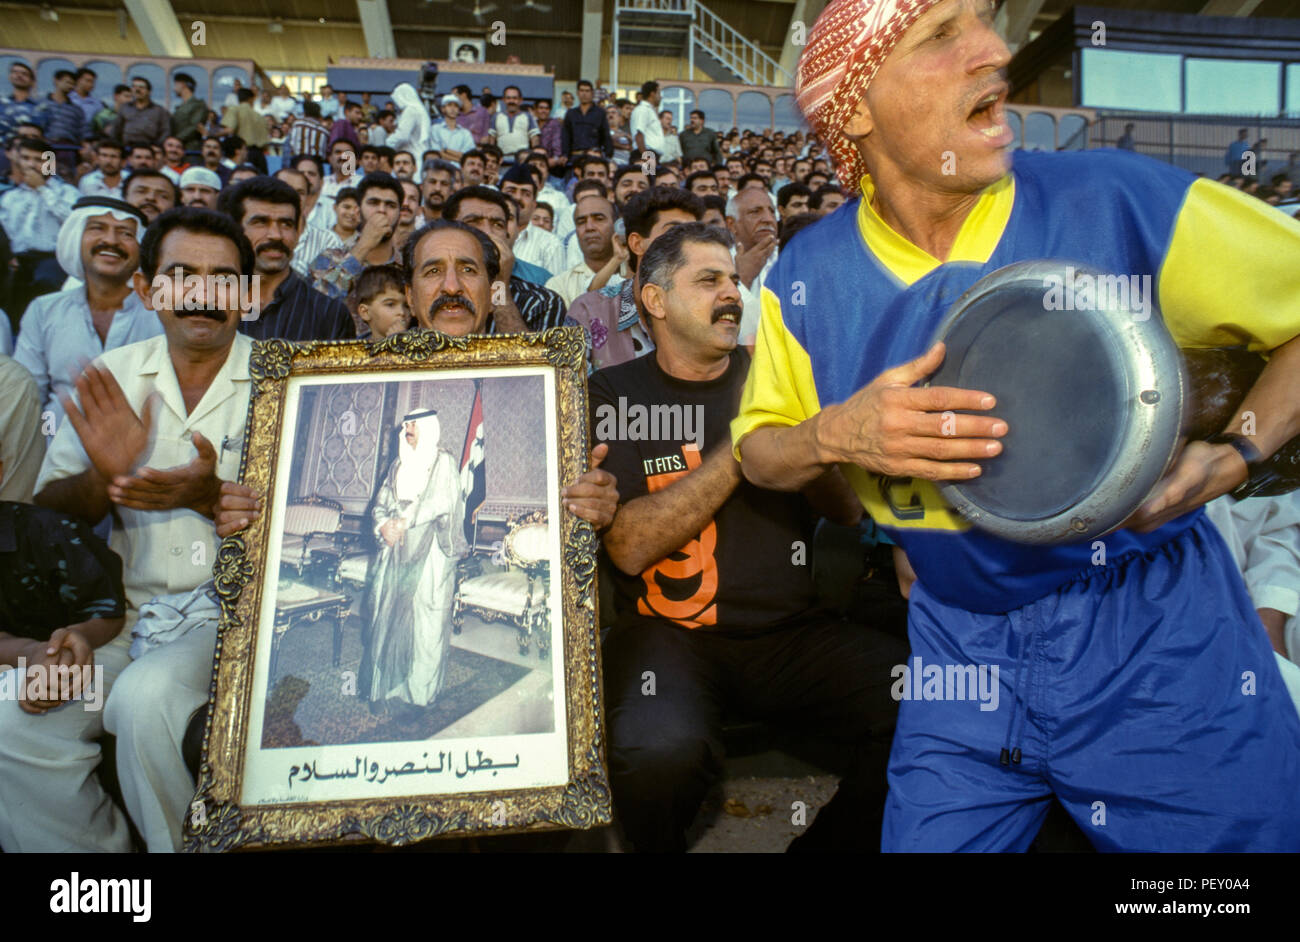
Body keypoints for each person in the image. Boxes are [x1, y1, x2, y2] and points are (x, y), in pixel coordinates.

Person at [734, 0, 1300, 852]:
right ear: (855, 108)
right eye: (940, 36)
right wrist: (834, 436)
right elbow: (758, 452)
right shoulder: (804, 276)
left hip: (1153, 636)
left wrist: (1239, 449)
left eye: (987, 21)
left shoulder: (1117, 199)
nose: (996, 51)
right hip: (957, 646)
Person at [593, 221, 902, 852]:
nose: (731, 293)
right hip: (667, 639)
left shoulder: (781, 379)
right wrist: (749, 442)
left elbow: (845, 514)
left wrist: (812, 439)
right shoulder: (611, 394)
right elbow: (626, 547)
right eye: (708, 280)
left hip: (791, 635)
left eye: (734, 279)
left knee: (931, 702)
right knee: (657, 752)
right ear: (653, 300)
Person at [17, 207, 255, 852]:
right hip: (117, 625)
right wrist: (103, 475)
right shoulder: (112, 377)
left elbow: (310, 531)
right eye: (181, 275)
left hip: (234, 623)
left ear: (248, 295)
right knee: (15, 722)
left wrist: (210, 499)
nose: (203, 294)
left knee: (148, 699)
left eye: (223, 278)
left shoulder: (285, 380)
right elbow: (52, 517)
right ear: (147, 289)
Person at [16, 196, 160, 422]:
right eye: (97, 228)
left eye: (126, 233)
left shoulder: (163, 313)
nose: (111, 240)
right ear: (75, 238)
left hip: (146, 452)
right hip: (54, 446)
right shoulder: (43, 311)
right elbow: (27, 398)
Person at [361, 408, 466, 716]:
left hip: (432, 552)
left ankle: (419, 695)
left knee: (427, 622)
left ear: (429, 427)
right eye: (406, 423)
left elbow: (440, 502)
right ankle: (384, 686)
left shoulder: (443, 462)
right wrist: (383, 527)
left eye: (414, 424)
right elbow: (380, 504)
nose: (408, 428)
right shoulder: (397, 464)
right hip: (395, 551)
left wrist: (402, 522)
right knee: (386, 613)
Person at [567, 186, 702, 371]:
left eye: (694, 235)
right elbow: (570, 394)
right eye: (675, 233)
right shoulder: (589, 312)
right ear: (637, 244)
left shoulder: (708, 308)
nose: (689, 246)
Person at [225, 176, 355, 341]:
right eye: (261, 222)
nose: (276, 235)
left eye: (286, 224)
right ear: (237, 230)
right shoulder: (212, 304)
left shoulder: (330, 314)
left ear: (298, 233)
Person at [441, 186, 557, 333]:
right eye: (473, 221)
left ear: (507, 234)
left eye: (497, 224)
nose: (488, 232)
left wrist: (499, 285)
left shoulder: (541, 302)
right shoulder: (427, 287)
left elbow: (523, 356)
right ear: (447, 231)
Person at [0, 136, 78, 328]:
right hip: (16, 260)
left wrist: (43, 189)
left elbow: (73, 221)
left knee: (44, 298)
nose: (31, 165)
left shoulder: (67, 192)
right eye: (26, 158)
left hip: (52, 259)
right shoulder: (10, 197)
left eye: (38, 160)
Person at [308, 173, 404, 306]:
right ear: (358, 211)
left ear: (399, 214)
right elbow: (315, 304)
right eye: (373, 203)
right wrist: (362, 247)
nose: (381, 211)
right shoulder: (329, 258)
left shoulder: (408, 267)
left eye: (390, 205)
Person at [545, 191, 623, 306]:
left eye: (599, 219)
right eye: (581, 222)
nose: (589, 227)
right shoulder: (558, 286)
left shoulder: (636, 274)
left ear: (617, 226)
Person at [501, 164, 565, 276]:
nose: (517, 197)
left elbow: (554, 291)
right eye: (511, 191)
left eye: (526, 194)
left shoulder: (550, 244)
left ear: (534, 204)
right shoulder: (482, 236)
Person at [349, 263, 410, 339]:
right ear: (365, 312)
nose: (402, 312)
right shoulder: (355, 349)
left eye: (406, 306)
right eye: (390, 304)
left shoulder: (419, 345)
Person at [221, 88, 269, 173]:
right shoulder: (260, 117)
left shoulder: (235, 110)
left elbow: (229, 130)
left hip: (242, 153)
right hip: (260, 156)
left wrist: (211, 134)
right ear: (252, 99)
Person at [562, 79, 612, 162]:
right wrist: (565, 155)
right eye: (581, 90)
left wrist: (607, 155)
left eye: (587, 91)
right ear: (577, 93)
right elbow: (566, 136)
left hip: (594, 157)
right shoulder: (571, 113)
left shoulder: (600, 113)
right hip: (575, 157)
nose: (584, 94)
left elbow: (606, 136)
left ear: (592, 93)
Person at [113, 77, 169, 150]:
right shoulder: (124, 108)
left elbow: (166, 131)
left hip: (149, 149)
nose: (137, 90)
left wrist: (157, 146)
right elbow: (116, 129)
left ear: (149, 91)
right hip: (126, 148)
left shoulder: (159, 111)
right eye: (134, 86)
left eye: (141, 87)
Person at [490, 86, 539, 161]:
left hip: (523, 159)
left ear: (520, 100)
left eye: (515, 98)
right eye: (508, 98)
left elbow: (535, 139)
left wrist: (534, 158)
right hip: (502, 159)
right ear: (503, 100)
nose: (511, 101)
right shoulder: (496, 116)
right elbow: (491, 140)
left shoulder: (528, 116)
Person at [387, 84, 430, 160]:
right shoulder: (421, 110)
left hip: (412, 156)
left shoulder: (410, 111)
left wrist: (387, 144)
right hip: (421, 154)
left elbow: (402, 136)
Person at [429, 94, 473, 164]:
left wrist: (446, 150)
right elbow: (436, 154)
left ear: (458, 110)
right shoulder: (435, 129)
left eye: (456, 106)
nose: (453, 109)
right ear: (443, 109)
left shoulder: (465, 133)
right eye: (449, 105)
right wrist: (460, 159)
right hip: (440, 169)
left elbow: (468, 156)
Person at [170, 73, 208, 152]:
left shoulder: (198, 105)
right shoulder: (180, 107)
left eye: (175, 85)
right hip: (177, 148)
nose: (174, 89)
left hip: (190, 149)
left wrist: (176, 139)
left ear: (182, 85)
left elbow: (195, 126)